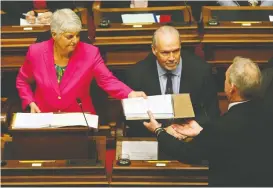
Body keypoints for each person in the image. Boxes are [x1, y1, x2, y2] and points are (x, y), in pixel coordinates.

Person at [143, 56, 273, 186]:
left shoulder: (220, 127)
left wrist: (158, 130)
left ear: (232, 88)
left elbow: (187, 154)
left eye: (226, 79)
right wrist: (202, 132)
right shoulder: (268, 115)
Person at [16, 9, 146, 114]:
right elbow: (22, 81)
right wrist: (29, 101)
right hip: (44, 115)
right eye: (69, 36)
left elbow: (107, 80)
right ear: (54, 34)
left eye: (77, 35)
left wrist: (129, 93)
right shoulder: (36, 52)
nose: (75, 40)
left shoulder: (90, 53)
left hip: (79, 116)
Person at [125, 25, 220, 137]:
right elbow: (131, 120)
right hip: (154, 140)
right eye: (165, 53)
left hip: (191, 140)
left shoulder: (201, 70)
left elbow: (212, 112)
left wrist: (189, 128)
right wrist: (160, 131)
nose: (171, 58)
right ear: (154, 50)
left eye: (176, 51)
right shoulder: (137, 74)